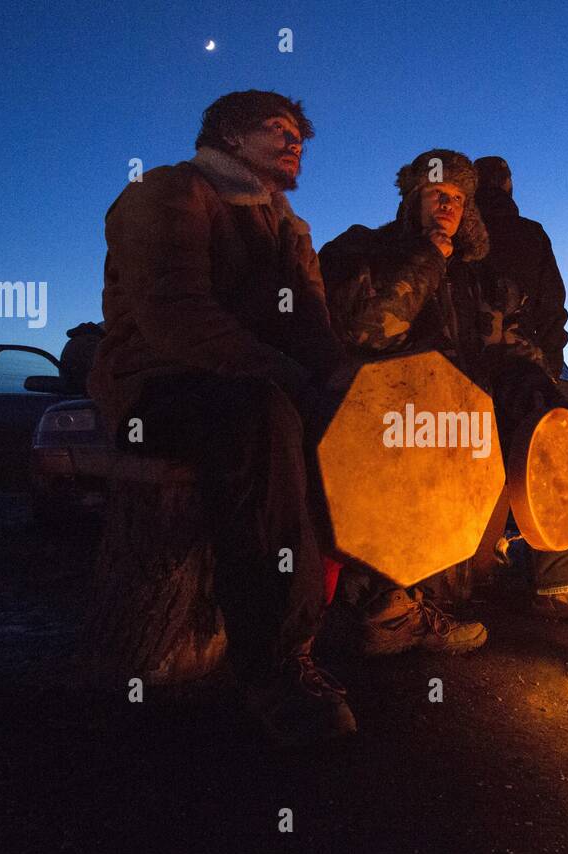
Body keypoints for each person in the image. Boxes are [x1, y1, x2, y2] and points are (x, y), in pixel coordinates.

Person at [87, 89, 356, 745]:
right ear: (230, 138)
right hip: (159, 387)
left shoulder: (288, 228)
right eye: (277, 128)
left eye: (299, 134)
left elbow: (315, 335)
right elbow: (179, 321)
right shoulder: (169, 193)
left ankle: (374, 607)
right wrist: (289, 378)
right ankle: (272, 668)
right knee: (260, 419)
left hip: (254, 385)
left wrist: (355, 388)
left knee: (357, 420)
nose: (294, 141)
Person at [319, 149, 568, 654]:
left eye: (459, 199)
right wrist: (429, 258)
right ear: (413, 197)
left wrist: (549, 402)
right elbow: (372, 329)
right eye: (438, 194)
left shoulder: (469, 276)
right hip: (373, 410)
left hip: (451, 418)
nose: (448, 206)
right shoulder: (369, 248)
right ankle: (380, 609)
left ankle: (427, 605)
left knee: (523, 436)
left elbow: (501, 348)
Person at [473, 156, 568, 378]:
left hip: (465, 366)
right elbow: (552, 305)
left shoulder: (457, 236)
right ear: (508, 183)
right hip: (521, 364)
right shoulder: (532, 234)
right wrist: (551, 366)